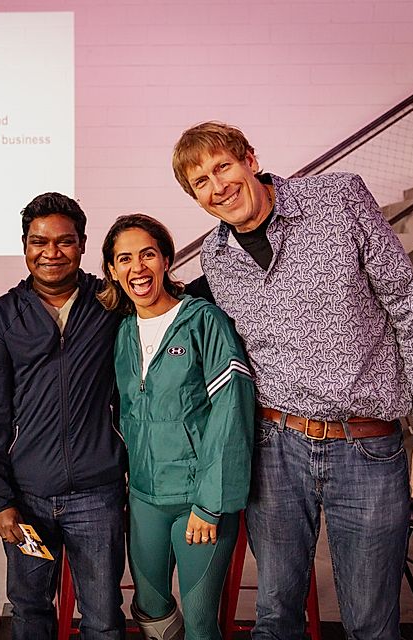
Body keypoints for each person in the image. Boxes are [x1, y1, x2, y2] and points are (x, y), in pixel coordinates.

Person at [171, 121, 413, 639]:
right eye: (201, 182)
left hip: (367, 447)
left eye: (223, 167)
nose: (218, 186)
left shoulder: (338, 200)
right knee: (275, 615)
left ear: (250, 160)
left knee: (371, 623)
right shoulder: (216, 257)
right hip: (275, 448)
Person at [0, 192, 127, 640]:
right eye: (39, 242)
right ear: (25, 245)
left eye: (64, 241)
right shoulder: (4, 316)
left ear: (82, 245)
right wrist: (1, 501)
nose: (51, 253)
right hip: (28, 498)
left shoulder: (110, 304)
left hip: (97, 495)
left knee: (103, 615)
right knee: (29, 609)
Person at [100, 214, 254, 640]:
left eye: (147, 254)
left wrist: (210, 504)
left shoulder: (203, 321)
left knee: (201, 622)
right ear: (112, 270)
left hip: (198, 501)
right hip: (144, 497)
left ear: (166, 260)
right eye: (124, 259)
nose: (137, 268)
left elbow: (232, 410)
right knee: (151, 612)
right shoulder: (123, 332)